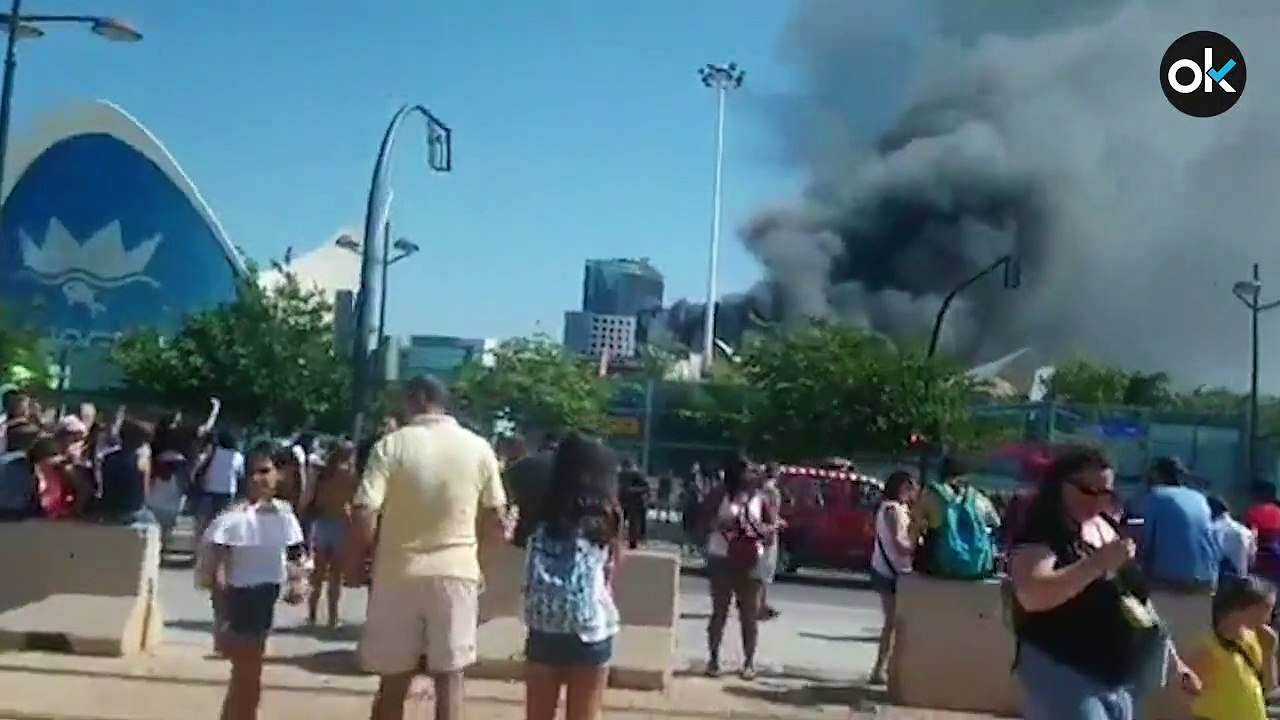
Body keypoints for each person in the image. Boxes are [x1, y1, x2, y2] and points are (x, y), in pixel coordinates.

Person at [345, 376, 508, 720]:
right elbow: (496, 518)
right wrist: (482, 566)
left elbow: (364, 510)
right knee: (450, 678)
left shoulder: (391, 446)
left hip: (397, 572)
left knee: (393, 681)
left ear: (416, 399)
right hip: (456, 571)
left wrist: (362, 559)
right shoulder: (478, 448)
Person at [1008, 445, 1200, 720]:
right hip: (1064, 672)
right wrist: (1096, 564)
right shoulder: (1043, 533)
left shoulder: (1104, 526)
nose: (1097, 501)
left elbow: (1136, 600)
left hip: (1117, 680)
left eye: (1106, 492)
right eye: (1087, 491)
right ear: (1059, 485)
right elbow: (1032, 593)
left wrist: (1174, 663)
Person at [199, 444, 307, 720]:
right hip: (240, 598)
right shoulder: (233, 518)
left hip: (265, 597)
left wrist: (298, 583)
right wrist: (222, 618)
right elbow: (217, 572)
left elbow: (296, 554)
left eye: (265, 471)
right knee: (247, 675)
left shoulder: (284, 515)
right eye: (253, 473)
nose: (259, 479)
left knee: (248, 676)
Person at [522, 433, 621, 720]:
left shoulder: (543, 509)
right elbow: (611, 572)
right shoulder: (607, 515)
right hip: (591, 630)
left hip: (544, 626)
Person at [700, 454, 778, 680]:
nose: (751, 475)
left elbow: (772, 527)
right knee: (720, 611)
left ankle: (749, 662)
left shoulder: (760, 497)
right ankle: (713, 659)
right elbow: (703, 522)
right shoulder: (719, 495)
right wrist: (723, 525)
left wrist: (760, 531)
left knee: (749, 613)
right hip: (721, 557)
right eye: (746, 471)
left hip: (750, 559)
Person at [1182, 574, 1276, 720]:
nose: (1268, 619)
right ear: (1248, 607)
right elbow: (1185, 694)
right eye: (1266, 609)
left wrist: (1269, 653)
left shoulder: (1255, 639)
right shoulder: (1207, 648)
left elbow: (1270, 688)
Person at [1126, 456, 1218, 592]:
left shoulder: (1155, 497)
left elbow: (1143, 542)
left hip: (1171, 580)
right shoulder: (1199, 498)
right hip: (1208, 578)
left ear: (1156, 474)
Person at [910, 454, 1000, 579]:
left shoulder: (932, 495)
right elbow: (996, 523)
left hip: (940, 568)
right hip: (977, 569)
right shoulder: (978, 498)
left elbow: (914, 530)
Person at [868, 470, 918, 685]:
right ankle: (882, 669)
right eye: (910, 488)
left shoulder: (886, 508)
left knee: (892, 622)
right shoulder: (895, 510)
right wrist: (917, 545)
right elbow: (900, 543)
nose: (913, 492)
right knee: (894, 623)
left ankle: (884, 668)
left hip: (883, 569)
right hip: (893, 572)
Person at [304, 441, 358, 629]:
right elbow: (354, 501)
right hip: (341, 524)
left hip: (323, 523)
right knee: (335, 576)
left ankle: (312, 613)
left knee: (318, 574)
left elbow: (314, 499)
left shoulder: (324, 474)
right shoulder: (351, 476)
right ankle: (332, 618)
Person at [98, 418, 156, 525]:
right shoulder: (141, 462)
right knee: (152, 521)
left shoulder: (108, 458)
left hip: (109, 510)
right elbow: (144, 493)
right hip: (131, 512)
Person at [196, 431, 245, 538]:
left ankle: (199, 549)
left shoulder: (212, 452)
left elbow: (200, 465)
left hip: (209, 490)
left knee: (204, 524)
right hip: (227, 493)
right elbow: (240, 475)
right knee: (223, 524)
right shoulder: (238, 456)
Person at [1207, 495, 1255, 584]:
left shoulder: (1212, 530)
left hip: (1221, 580)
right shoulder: (1246, 532)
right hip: (1243, 581)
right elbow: (1252, 558)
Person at [619, 459, 648, 550]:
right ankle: (621, 541)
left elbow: (645, 487)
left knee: (633, 524)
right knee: (620, 522)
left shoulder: (636, 475)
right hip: (623, 501)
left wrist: (633, 490)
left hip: (634, 503)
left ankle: (632, 542)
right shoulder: (620, 475)